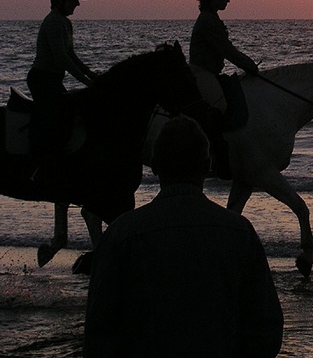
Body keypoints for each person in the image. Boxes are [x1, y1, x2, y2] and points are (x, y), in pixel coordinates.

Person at [84, 115, 283, 357]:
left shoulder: (121, 233)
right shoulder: (239, 232)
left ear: (154, 166)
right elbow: (265, 327)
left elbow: (99, 330)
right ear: (207, 166)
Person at [27, 0, 97, 155]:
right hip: (43, 80)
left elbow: (71, 54)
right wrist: (85, 82)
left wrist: (90, 73)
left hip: (53, 79)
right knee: (57, 122)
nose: (77, 4)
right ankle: (42, 161)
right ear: (61, 0)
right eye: (74, 0)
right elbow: (61, 58)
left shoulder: (65, 22)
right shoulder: (54, 22)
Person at [189, 0, 258, 114]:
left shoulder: (211, 17)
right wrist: (249, 65)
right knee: (220, 107)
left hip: (210, 72)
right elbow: (227, 50)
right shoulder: (208, 20)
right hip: (202, 72)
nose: (228, 0)